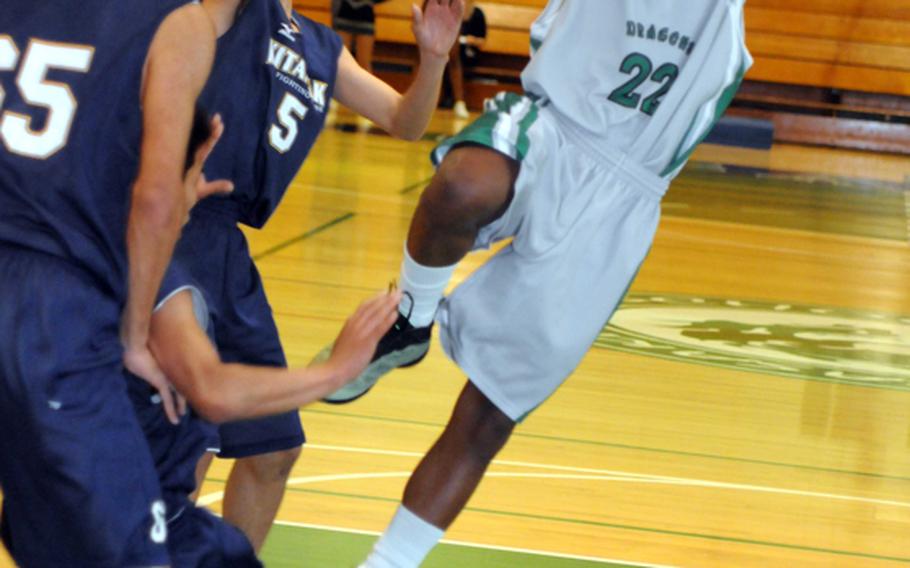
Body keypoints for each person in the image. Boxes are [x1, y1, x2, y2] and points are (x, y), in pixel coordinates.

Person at [321, 1, 754, 566]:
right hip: (553, 127)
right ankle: (411, 317)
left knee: (487, 417)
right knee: (463, 186)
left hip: (625, 194)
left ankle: (388, 562)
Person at [177, 0, 465, 552]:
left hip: (226, 255)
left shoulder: (321, 47)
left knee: (274, 449)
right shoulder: (229, 8)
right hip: (178, 227)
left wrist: (433, 57)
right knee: (189, 450)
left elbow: (405, 122)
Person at [0, 1, 222, 565]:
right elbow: (154, 197)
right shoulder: (178, 21)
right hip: (51, 306)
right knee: (130, 551)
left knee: (38, 532)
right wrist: (135, 332)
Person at [129, 261, 400, 566]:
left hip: (221, 255)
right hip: (173, 263)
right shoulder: (148, 270)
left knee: (275, 448)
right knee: (186, 463)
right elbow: (212, 393)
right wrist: (335, 372)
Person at [448, 0, 486, 118]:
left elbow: (465, 16)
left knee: (454, 58)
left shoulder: (475, 12)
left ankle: (459, 102)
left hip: (465, 53)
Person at [332, 0, 388, 73]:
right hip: (344, 12)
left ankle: (366, 84)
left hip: (366, 14)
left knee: (364, 63)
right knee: (341, 61)